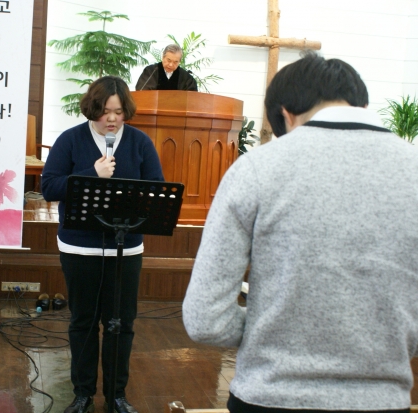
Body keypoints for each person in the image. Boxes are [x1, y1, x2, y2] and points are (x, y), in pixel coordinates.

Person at [182, 51, 418, 412]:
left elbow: (205, 319)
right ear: (363, 105)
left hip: (270, 396)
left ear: (286, 115)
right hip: (381, 400)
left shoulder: (256, 169)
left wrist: (272, 327)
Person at [41, 76, 164, 413]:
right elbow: (49, 187)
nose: (112, 118)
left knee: (120, 324)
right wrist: (90, 174)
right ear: (92, 109)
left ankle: (116, 395)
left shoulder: (139, 143)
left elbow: (156, 187)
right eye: (105, 111)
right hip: (80, 248)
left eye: (119, 112)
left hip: (126, 248)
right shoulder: (70, 140)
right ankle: (83, 394)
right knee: (83, 322)